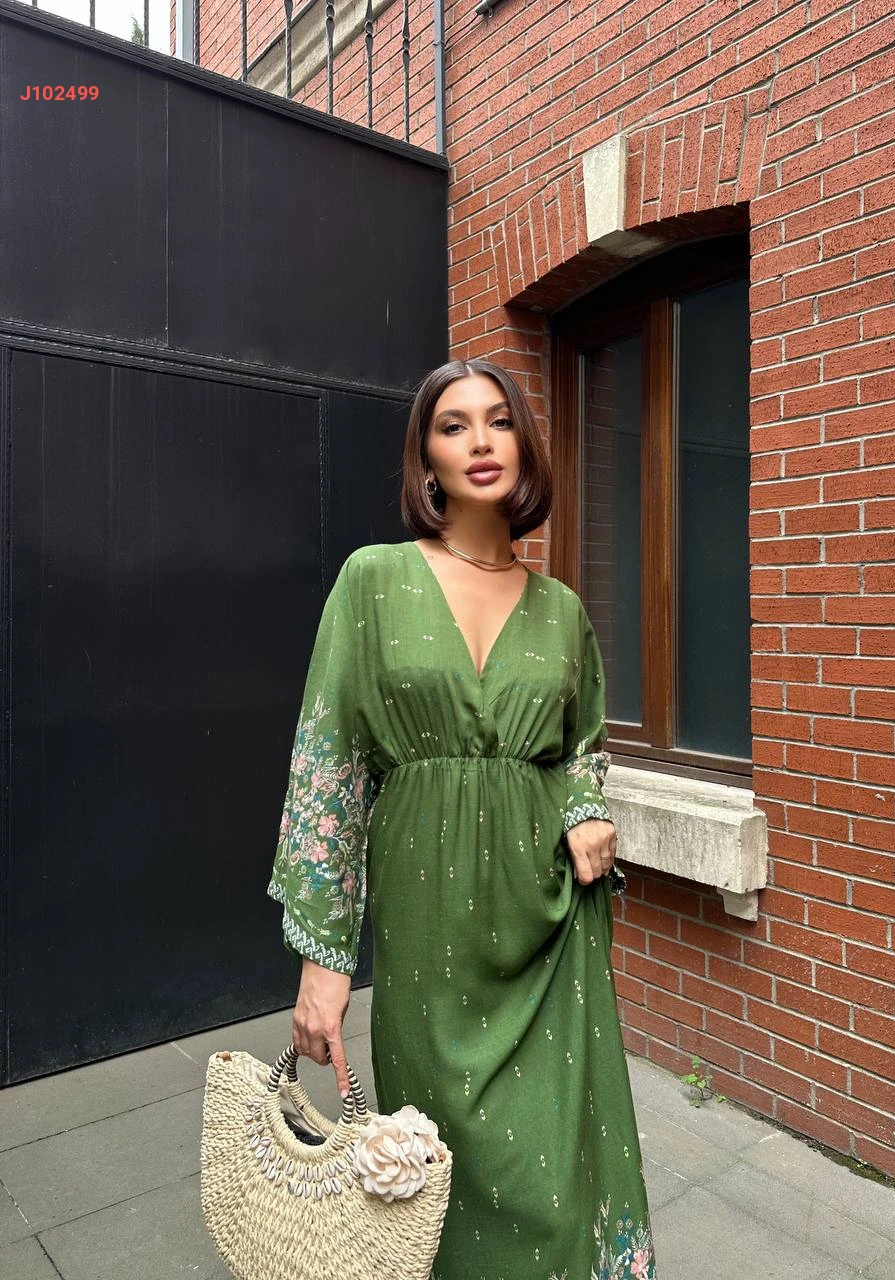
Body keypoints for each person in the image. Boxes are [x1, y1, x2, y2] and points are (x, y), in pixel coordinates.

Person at [268, 359, 657, 1279]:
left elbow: (582, 745)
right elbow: (330, 767)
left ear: (524, 445)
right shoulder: (373, 581)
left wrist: (586, 808)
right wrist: (325, 962)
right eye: (453, 425)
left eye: (499, 421)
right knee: (435, 1173)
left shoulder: (562, 612)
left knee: (554, 1178)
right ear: (427, 458)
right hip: (428, 929)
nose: (480, 441)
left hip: (547, 924)